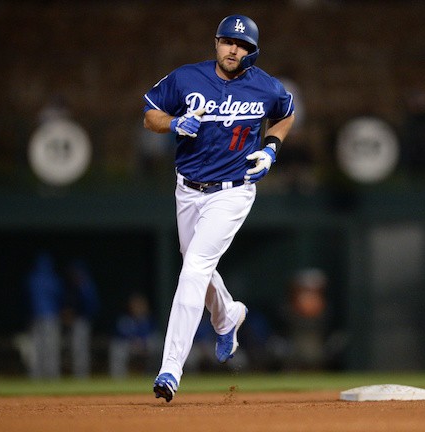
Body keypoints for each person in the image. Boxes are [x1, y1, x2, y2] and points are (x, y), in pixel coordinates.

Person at [142, 14, 295, 402]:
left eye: (243, 46)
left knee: (194, 268)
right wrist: (174, 124)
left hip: (233, 190)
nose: (234, 49)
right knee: (195, 263)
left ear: (252, 52)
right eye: (229, 41)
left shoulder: (264, 86)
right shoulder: (187, 77)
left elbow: (286, 112)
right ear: (216, 42)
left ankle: (170, 368)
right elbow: (149, 116)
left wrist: (271, 148)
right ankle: (227, 315)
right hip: (188, 190)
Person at [26, 252, 63, 379]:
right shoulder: (52, 279)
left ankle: (36, 375)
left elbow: (27, 299)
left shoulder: (32, 278)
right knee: (50, 347)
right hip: (50, 316)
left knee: (36, 348)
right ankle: (51, 375)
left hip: (36, 316)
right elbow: (59, 297)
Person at [108, 293, 160, 379]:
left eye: (140, 304)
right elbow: (120, 336)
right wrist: (135, 343)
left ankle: (156, 376)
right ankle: (118, 378)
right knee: (117, 348)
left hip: (146, 347)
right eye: (135, 305)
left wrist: (143, 344)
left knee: (158, 345)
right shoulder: (125, 320)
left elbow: (153, 335)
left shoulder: (149, 320)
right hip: (129, 347)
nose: (138, 307)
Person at [62, 259, 99, 378]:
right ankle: (79, 374)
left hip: (82, 320)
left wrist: (75, 314)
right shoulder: (76, 286)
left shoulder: (85, 286)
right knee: (77, 348)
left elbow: (90, 306)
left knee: (80, 349)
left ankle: (81, 375)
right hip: (79, 320)